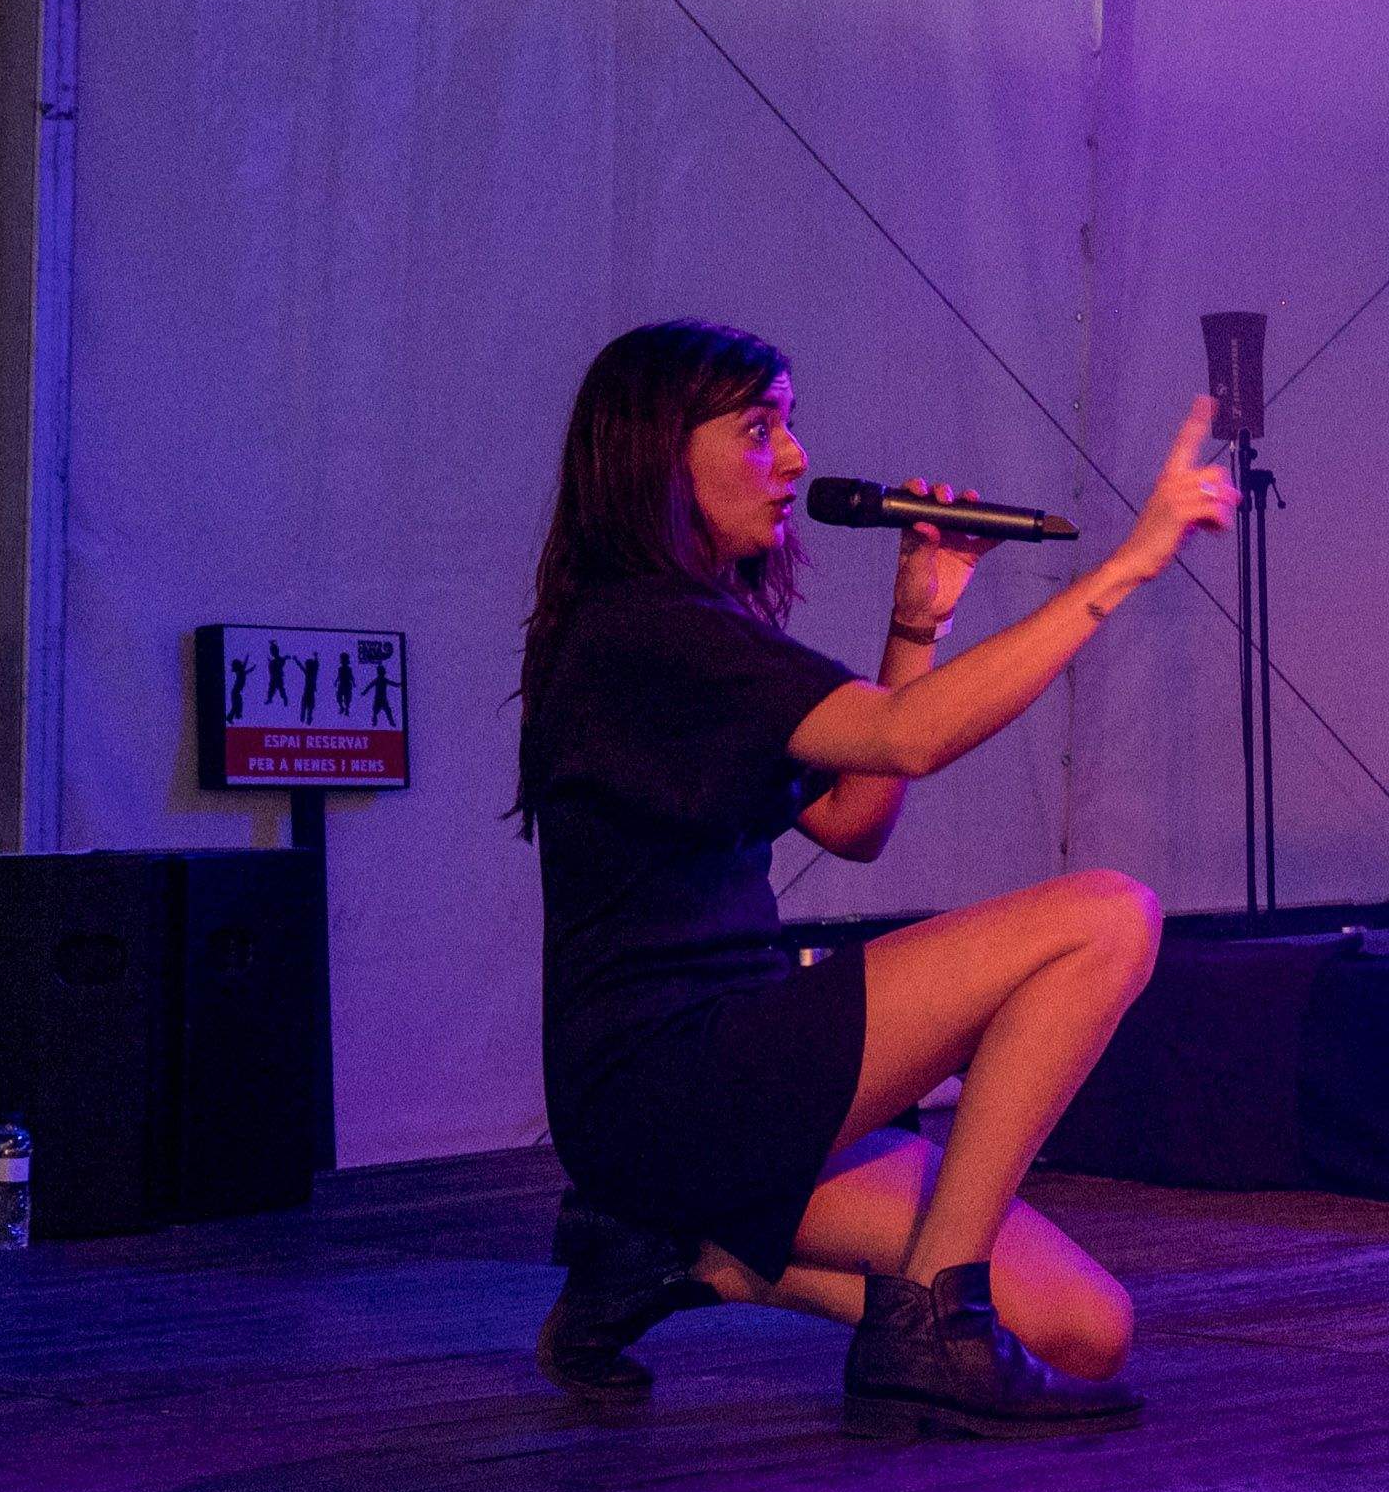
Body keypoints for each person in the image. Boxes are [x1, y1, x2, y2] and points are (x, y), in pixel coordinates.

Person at [515, 320, 1235, 1435]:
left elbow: (855, 821)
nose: (794, 457)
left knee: (1086, 1329)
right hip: (669, 1082)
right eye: (758, 429)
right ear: (658, 451)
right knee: (1106, 916)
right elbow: (909, 738)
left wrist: (917, 622)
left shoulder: (690, 627)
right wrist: (1129, 564)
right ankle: (934, 1323)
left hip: (735, 1076)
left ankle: (680, 1259)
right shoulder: (644, 632)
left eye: (789, 425)